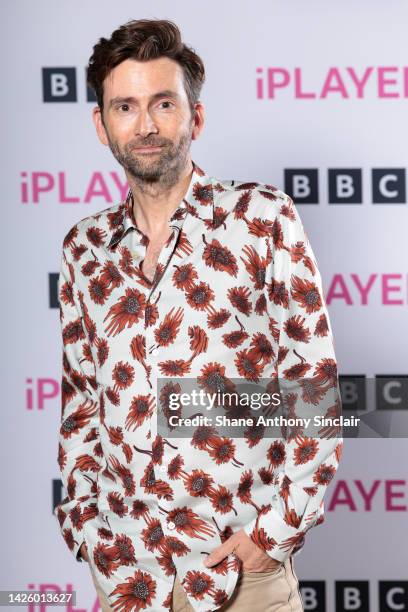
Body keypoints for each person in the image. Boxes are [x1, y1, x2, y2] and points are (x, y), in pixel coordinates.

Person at [54, 18, 343, 612]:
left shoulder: (262, 220)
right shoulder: (83, 249)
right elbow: (82, 401)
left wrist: (270, 536)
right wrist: (87, 530)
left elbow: (313, 390)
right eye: (125, 106)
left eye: (163, 103)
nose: (147, 124)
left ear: (196, 117)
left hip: (240, 574)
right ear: (101, 124)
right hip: (127, 571)